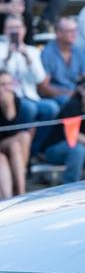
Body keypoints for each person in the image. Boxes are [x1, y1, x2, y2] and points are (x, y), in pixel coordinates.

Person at [0, 14, 60, 150]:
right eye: (11, 28)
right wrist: (8, 57)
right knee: (29, 108)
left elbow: (39, 79)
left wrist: (27, 58)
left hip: (31, 96)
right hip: (10, 98)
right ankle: (20, 144)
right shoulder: (1, 49)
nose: (14, 31)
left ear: (24, 30)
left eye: (18, 27)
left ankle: (33, 148)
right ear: (4, 30)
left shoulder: (32, 51)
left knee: (52, 108)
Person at [41, 17, 85, 100]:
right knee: (66, 100)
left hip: (75, 93)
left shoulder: (80, 52)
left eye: (75, 30)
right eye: (70, 31)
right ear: (58, 33)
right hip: (55, 96)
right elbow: (43, 88)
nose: (74, 34)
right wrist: (69, 94)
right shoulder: (47, 53)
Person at [0, 68, 30, 197]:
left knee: (22, 138)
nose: (7, 88)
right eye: (2, 84)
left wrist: (8, 106)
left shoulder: (14, 100)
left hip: (5, 142)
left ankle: (21, 193)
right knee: (1, 160)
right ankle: (8, 198)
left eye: (9, 84)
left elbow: (13, 130)